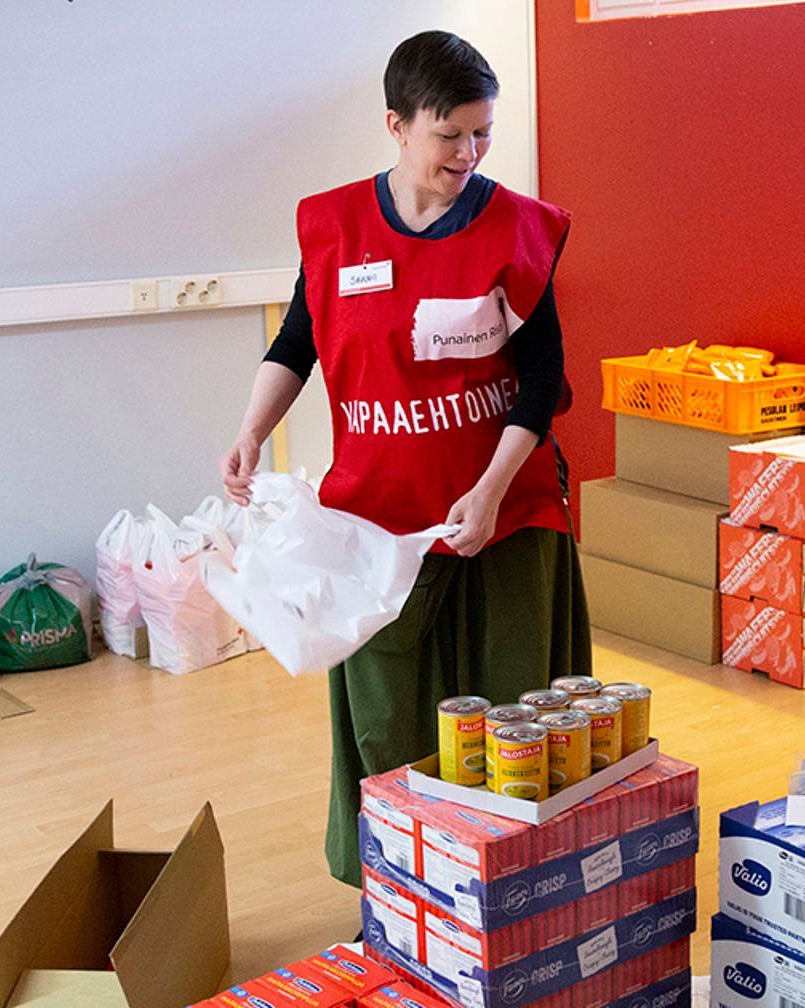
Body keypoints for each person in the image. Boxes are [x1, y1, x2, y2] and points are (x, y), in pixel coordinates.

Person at [219, 30, 592, 888]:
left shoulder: (518, 229)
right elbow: (298, 340)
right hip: (376, 524)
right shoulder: (336, 226)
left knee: (513, 713)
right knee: (388, 716)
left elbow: (544, 378)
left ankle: (511, 891)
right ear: (396, 125)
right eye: (448, 134)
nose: (469, 153)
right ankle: (399, 887)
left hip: (507, 514)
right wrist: (250, 427)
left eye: (482, 133)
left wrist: (493, 488)